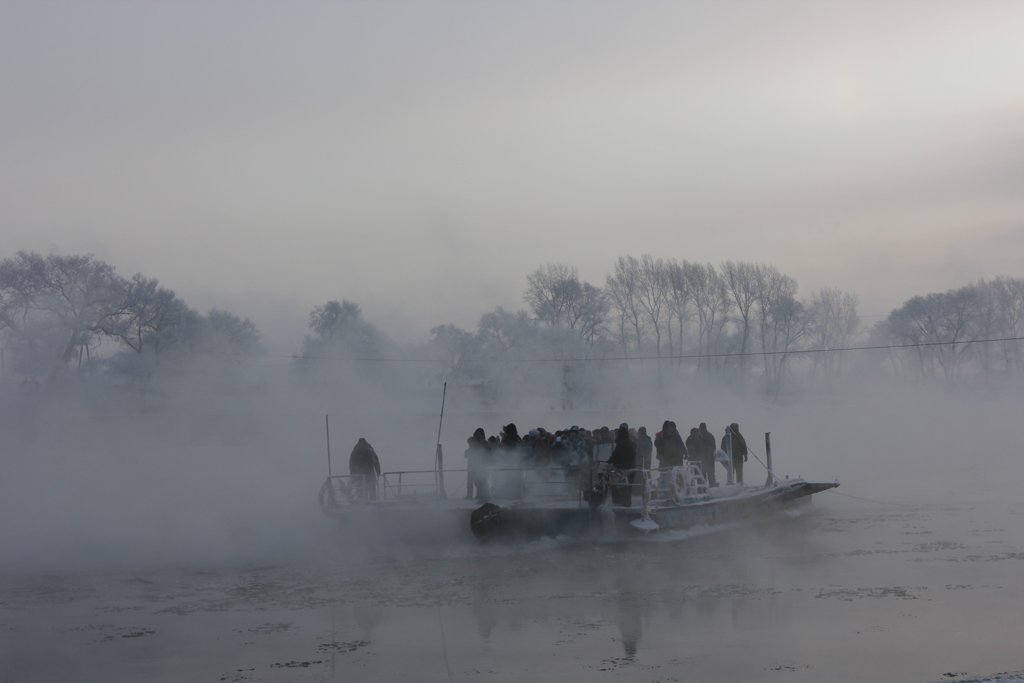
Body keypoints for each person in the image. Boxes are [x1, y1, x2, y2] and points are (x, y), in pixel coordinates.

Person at [608, 423, 637, 507]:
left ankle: (622, 501)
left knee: (622, 485)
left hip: (623, 467)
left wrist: (609, 461)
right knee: (629, 486)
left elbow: (616, 454)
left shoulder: (620, 443)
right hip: (632, 466)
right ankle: (628, 502)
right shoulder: (632, 443)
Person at [464, 428, 490, 501]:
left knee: (480, 481)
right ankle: (480, 496)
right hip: (476, 465)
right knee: (478, 481)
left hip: (479, 466)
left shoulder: (480, 444)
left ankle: (482, 496)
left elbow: (468, 454)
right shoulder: (483, 444)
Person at [699, 422, 718, 487]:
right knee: (711, 473)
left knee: (702, 473)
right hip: (710, 457)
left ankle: (703, 488)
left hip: (702, 457)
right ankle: (712, 487)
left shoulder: (699, 435)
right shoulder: (710, 435)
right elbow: (714, 447)